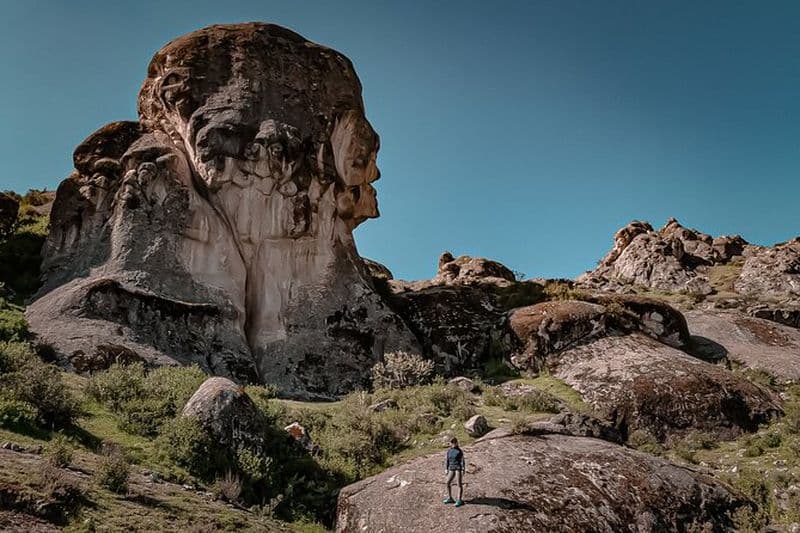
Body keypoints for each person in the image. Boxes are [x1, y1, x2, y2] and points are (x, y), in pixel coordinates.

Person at [443, 437, 465, 507]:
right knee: (447, 482)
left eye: (454, 442)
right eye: (451, 443)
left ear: (456, 443)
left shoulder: (459, 451)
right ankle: (450, 498)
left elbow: (462, 460)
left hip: (458, 468)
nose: (452, 444)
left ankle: (459, 500)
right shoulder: (449, 451)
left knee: (459, 484)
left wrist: (463, 469)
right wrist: (446, 468)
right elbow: (447, 460)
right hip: (451, 468)